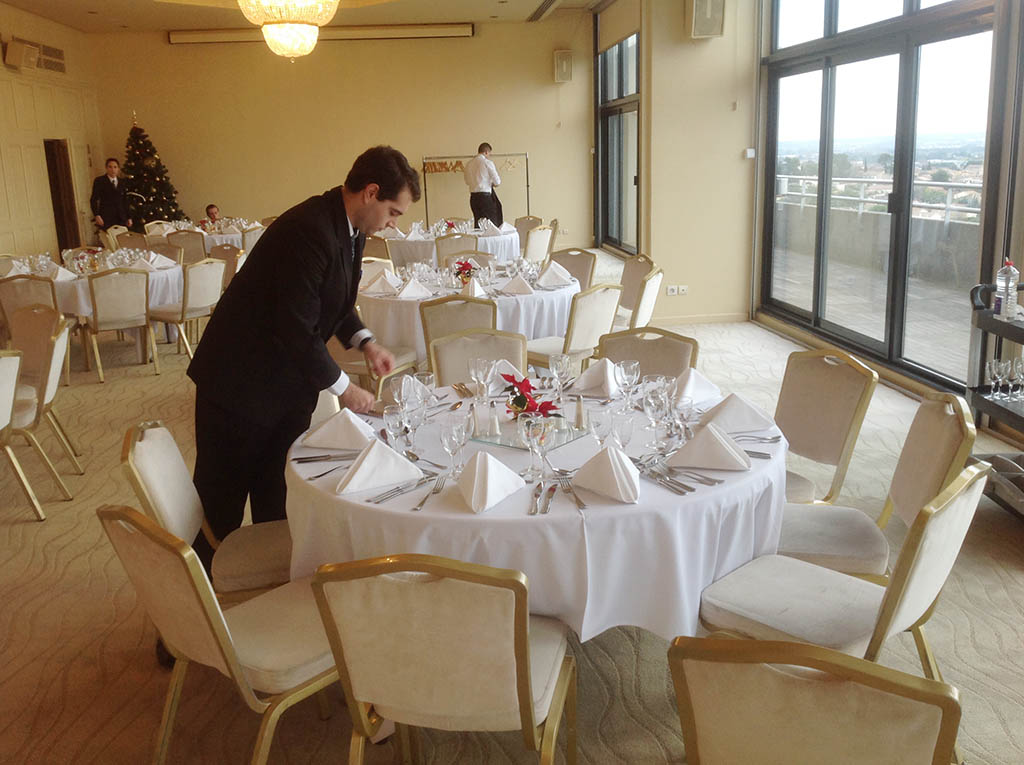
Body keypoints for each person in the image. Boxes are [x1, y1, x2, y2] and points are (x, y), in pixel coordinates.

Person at [186, 145, 419, 565]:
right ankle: (195, 599)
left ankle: (261, 587)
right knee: (219, 508)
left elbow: (335, 302)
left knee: (277, 497)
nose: (392, 224)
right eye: (393, 212)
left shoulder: (349, 227)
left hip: (285, 385)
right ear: (370, 193)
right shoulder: (308, 229)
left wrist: (366, 342)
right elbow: (296, 329)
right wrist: (345, 389)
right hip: (238, 383)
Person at [463, 142, 503, 226]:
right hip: (485, 198)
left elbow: (467, 181)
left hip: (473, 198)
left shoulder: (469, 164)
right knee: (490, 225)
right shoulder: (487, 163)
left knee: (478, 224)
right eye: (489, 154)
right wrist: (491, 183)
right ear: (486, 152)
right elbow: (497, 182)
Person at [89, 158, 132, 230]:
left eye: (115, 167)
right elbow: (93, 199)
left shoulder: (122, 182)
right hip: (106, 218)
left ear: (118, 169)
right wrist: (97, 215)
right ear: (106, 168)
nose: (113, 170)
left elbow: (125, 201)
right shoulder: (100, 181)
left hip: (121, 218)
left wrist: (129, 217)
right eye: (110, 167)